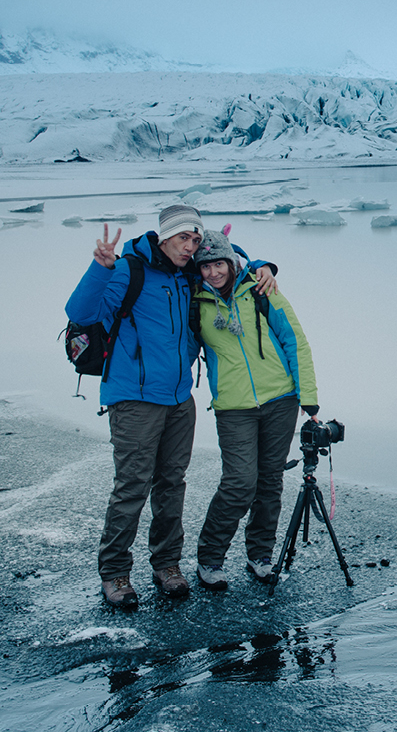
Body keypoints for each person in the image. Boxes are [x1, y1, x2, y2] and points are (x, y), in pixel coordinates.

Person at [66, 204, 274, 610]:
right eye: (184, 238)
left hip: (180, 398)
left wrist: (267, 265)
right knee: (132, 487)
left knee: (172, 484)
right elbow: (81, 312)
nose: (191, 246)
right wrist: (101, 268)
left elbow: (232, 259)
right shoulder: (129, 269)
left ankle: (167, 564)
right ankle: (115, 572)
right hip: (135, 398)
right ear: (165, 236)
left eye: (196, 240)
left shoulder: (186, 273)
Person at [190, 228, 320, 591]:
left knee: (269, 481)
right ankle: (210, 558)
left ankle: (260, 554)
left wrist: (308, 397)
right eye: (205, 266)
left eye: (219, 263)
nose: (213, 272)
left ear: (232, 261)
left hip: (280, 400)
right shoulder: (194, 301)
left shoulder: (262, 290)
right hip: (233, 407)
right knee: (238, 484)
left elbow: (296, 342)